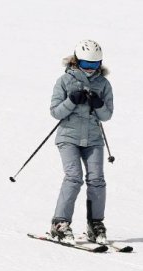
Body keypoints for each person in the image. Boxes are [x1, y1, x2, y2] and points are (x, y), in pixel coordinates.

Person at [48, 39, 114, 245]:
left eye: (94, 65)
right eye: (86, 65)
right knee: (74, 177)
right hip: (68, 138)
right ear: (76, 61)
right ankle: (60, 224)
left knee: (97, 180)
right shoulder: (64, 81)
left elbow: (107, 115)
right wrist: (71, 100)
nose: (90, 70)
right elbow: (55, 112)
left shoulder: (103, 84)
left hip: (93, 139)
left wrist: (98, 103)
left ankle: (95, 224)